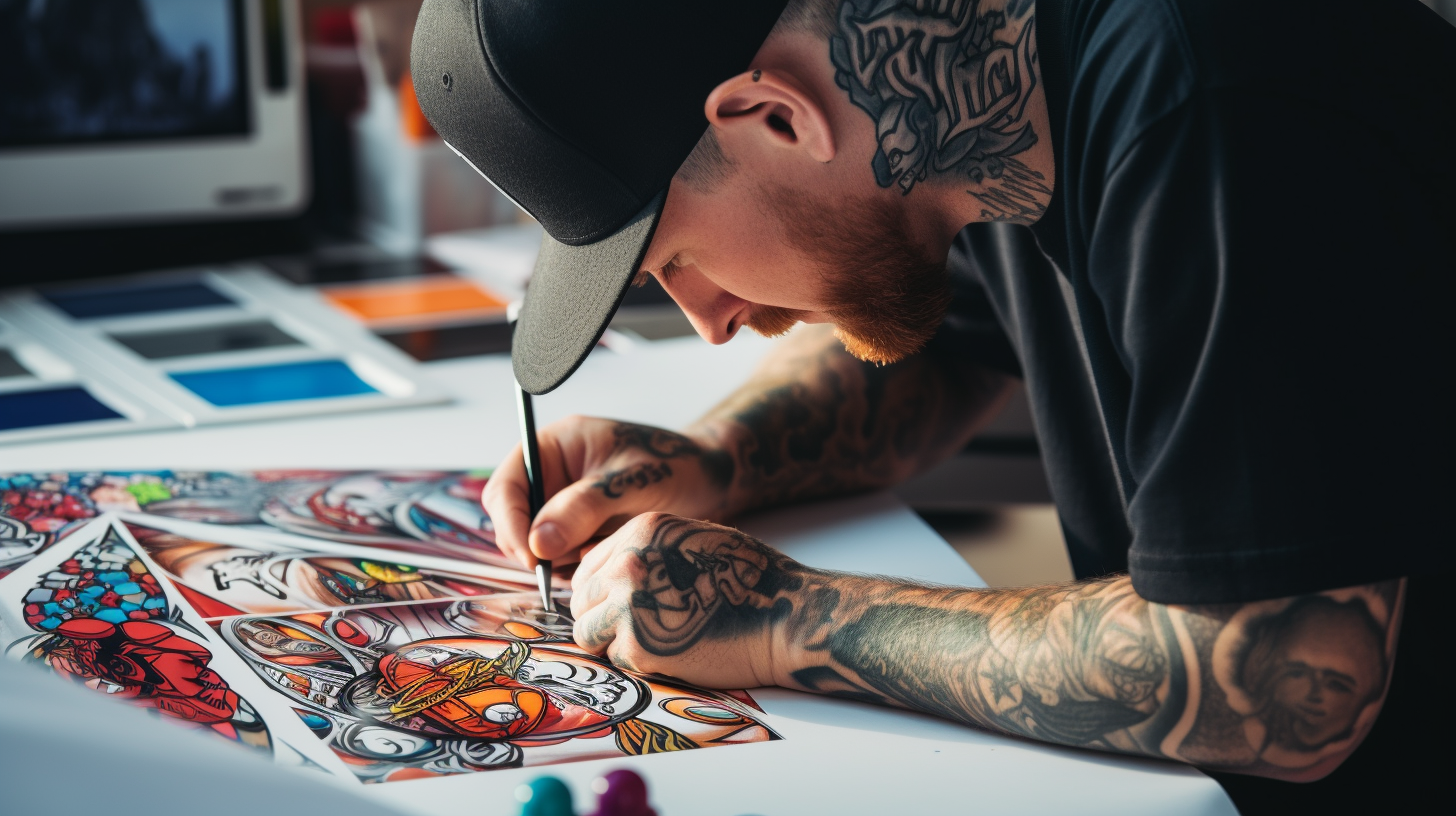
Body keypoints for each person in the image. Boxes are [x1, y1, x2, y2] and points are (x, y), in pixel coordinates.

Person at [409, 0, 1454, 811]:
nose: (711, 322)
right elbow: (943, 345)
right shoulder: (978, 89)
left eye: (674, 259)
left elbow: (1282, 674)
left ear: (775, 115)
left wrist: (778, 618)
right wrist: (717, 456)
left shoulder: (1220, 112)